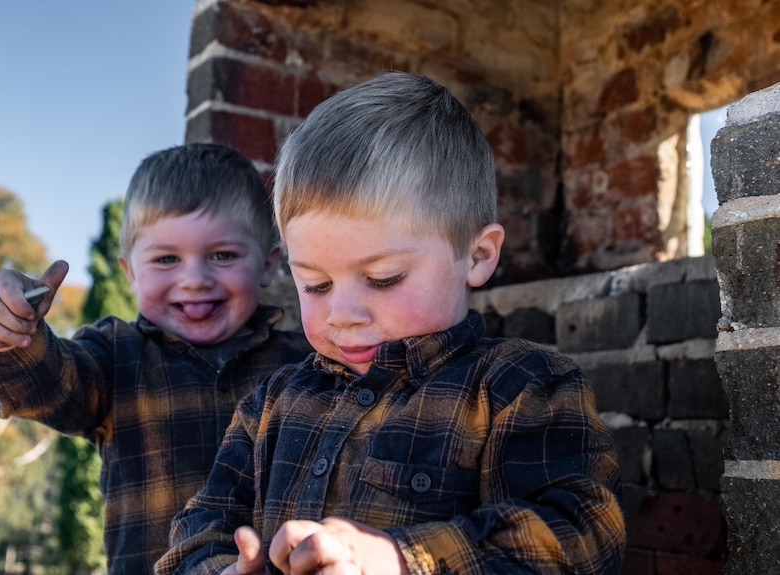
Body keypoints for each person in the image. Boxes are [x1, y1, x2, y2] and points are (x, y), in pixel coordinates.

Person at [155, 73, 626, 575]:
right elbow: (199, 529)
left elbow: (581, 535)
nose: (342, 314)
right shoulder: (269, 405)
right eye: (315, 284)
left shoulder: (520, 387)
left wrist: (397, 559)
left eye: (383, 278)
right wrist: (222, 569)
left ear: (478, 255)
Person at [0, 143, 313, 574]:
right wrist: (11, 335)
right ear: (129, 273)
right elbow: (47, 385)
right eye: (166, 259)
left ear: (268, 264)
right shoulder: (114, 356)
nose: (195, 279)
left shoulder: (311, 364)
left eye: (223, 255)